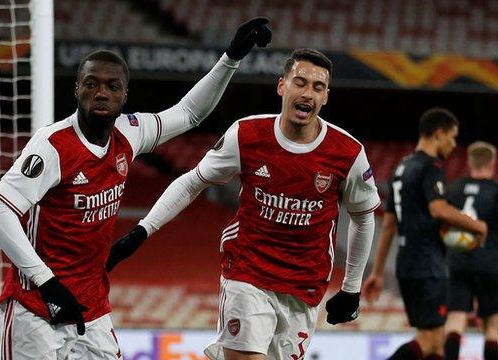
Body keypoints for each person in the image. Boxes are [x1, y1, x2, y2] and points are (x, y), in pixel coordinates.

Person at [0, 17, 271, 360]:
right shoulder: (53, 145)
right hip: (36, 308)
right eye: (91, 84)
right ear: (77, 90)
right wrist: (47, 281)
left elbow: (189, 114)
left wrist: (231, 58)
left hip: (92, 306)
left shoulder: (129, 131)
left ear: (124, 95)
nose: (101, 92)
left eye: (111, 86)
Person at [107, 48, 381, 360]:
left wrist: (351, 288)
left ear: (326, 97)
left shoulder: (347, 153)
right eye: (300, 82)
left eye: (317, 88)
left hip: (304, 287)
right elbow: (194, 180)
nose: (307, 93)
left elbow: (363, 217)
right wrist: (143, 230)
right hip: (247, 272)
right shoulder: (248, 135)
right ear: (282, 86)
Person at [362, 108, 488, 360]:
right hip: (427, 264)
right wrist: (477, 226)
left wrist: (377, 272)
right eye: (452, 137)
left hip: (407, 265)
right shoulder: (430, 167)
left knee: (436, 343)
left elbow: (388, 224)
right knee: (430, 341)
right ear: (438, 134)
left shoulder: (402, 168)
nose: (454, 145)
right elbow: (439, 209)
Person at [443, 141, 498, 360]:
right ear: (492, 163)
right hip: (489, 263)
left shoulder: (453, 189)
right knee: (493, 325)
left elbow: (441, 225)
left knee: (455, 320)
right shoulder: (495, 191)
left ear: (469, 161)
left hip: (457, 262)